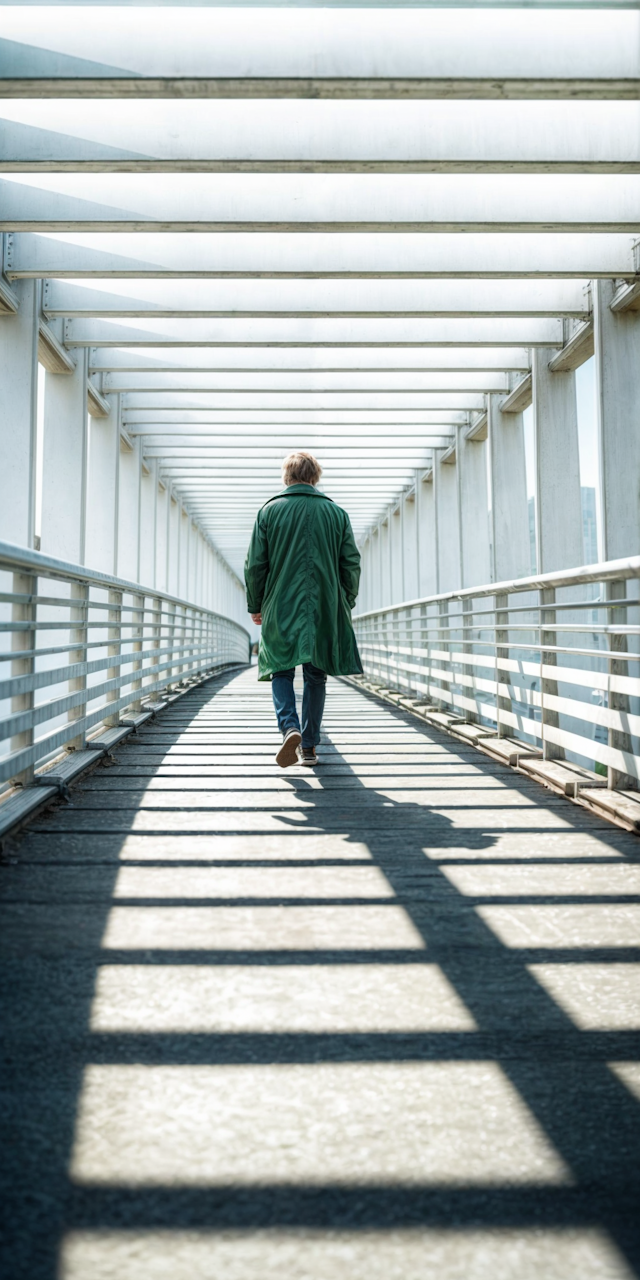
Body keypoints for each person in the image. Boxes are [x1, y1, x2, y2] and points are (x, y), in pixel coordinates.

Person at [244, 450, 363, 768]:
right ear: (315, 477)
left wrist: (255, 604)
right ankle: (309, 747)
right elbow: (351, 563)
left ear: (287, 477)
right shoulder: (336, 513)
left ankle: (290, 727)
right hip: (324, 604)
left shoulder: (269, 511)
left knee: (279, 670)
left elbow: (256, 564)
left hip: (280, 603)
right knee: (316, 675)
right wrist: (344, 601)